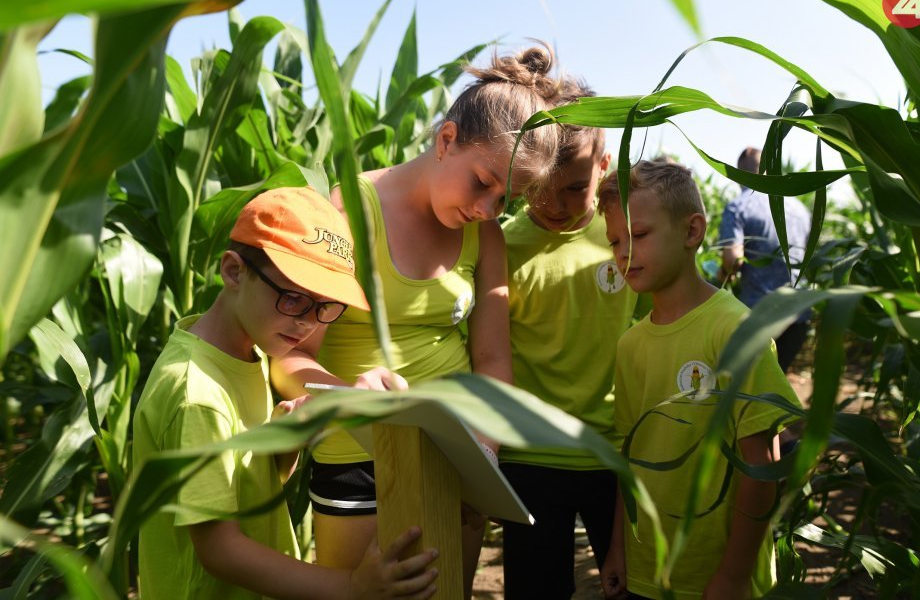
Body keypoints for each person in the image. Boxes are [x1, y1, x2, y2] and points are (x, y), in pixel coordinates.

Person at [270, 44, 561, 598]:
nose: (488, 209)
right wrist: (347, 395)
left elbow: (494, 356)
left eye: (510, 198)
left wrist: (486, 451)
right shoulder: (350, 212)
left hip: (456, 457)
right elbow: (289, 357)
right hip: (357, 454)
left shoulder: (486, 235)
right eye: (483, 182)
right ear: (445, 140)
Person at [132, 187, 439, 600]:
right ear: (234, 271)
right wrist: (351, 586)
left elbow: (242, 486)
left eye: (324, 306)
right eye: (293, 298)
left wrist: (283, 445)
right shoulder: (197, 393)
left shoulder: (245, 352)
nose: (308, 324)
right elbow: (219, 550)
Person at [597, 160, 801, 599]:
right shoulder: (630, 345)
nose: (623, 252)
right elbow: (628, 461)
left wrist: (733, 575)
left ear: (692, 232)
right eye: (615, 240)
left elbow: (762, 466)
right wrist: (618, 547)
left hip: (720, 578)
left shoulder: (734, 330)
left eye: (640, 235)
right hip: (647, 572)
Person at [499, 77, 638, 599]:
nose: (553, 204)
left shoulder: (625, 237)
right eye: (537, 187)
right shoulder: (503, 247)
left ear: (603, 169)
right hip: (530, 459)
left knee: (632, 585)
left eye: (575, 188)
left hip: (615, 452)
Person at [718, 147, 812, 371]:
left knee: (753, 388)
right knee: (778, 380)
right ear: (769, 170)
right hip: (799, 312)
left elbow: (733, 260)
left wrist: (722, 274)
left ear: (739, 174)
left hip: (759, 317)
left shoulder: (738, 206)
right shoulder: (799, 208)